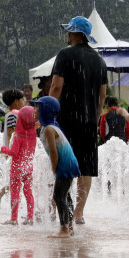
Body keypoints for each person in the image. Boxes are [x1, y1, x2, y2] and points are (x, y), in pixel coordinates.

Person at [49, 16, 107, 225]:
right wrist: (95, 117)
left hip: (66, 119)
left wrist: (48, 114)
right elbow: (102, 95)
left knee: (61, 163)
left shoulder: (64, 55)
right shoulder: (99, 60)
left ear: (75, 34)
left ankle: (56, 208)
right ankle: (80, 213)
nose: (66, 34)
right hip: (89, 122)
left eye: (68, 31)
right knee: (86, 167)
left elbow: (56, 87)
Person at [31, 96, 80, 238]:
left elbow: (53, 151)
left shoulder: (49, 130)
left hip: (64, 165)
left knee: (58, 196)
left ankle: (64, 229)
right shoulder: (50, 127)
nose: (35, 110)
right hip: (69, 163)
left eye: (38, 107)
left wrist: (54, 168)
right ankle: (69, 226)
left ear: (46, 110)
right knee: (65, 195)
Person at [0, 106, 37, 225]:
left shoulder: (18, 136)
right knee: (28, 192)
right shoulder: (33, 134)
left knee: (15, 193)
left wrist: (4, 149)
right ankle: (30, 218)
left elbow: (14, 152)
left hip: (17, 168)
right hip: (28, 167)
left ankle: (14, 219)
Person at [0, 89, 25, 209]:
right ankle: (15, 205)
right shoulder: (13, 114)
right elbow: (13, 132)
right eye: (22, 99)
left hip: (14, 151)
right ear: (16, 101)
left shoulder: (13, 113)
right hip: (14, 151)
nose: (24, 101)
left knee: (19, 178)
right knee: (19, 178)